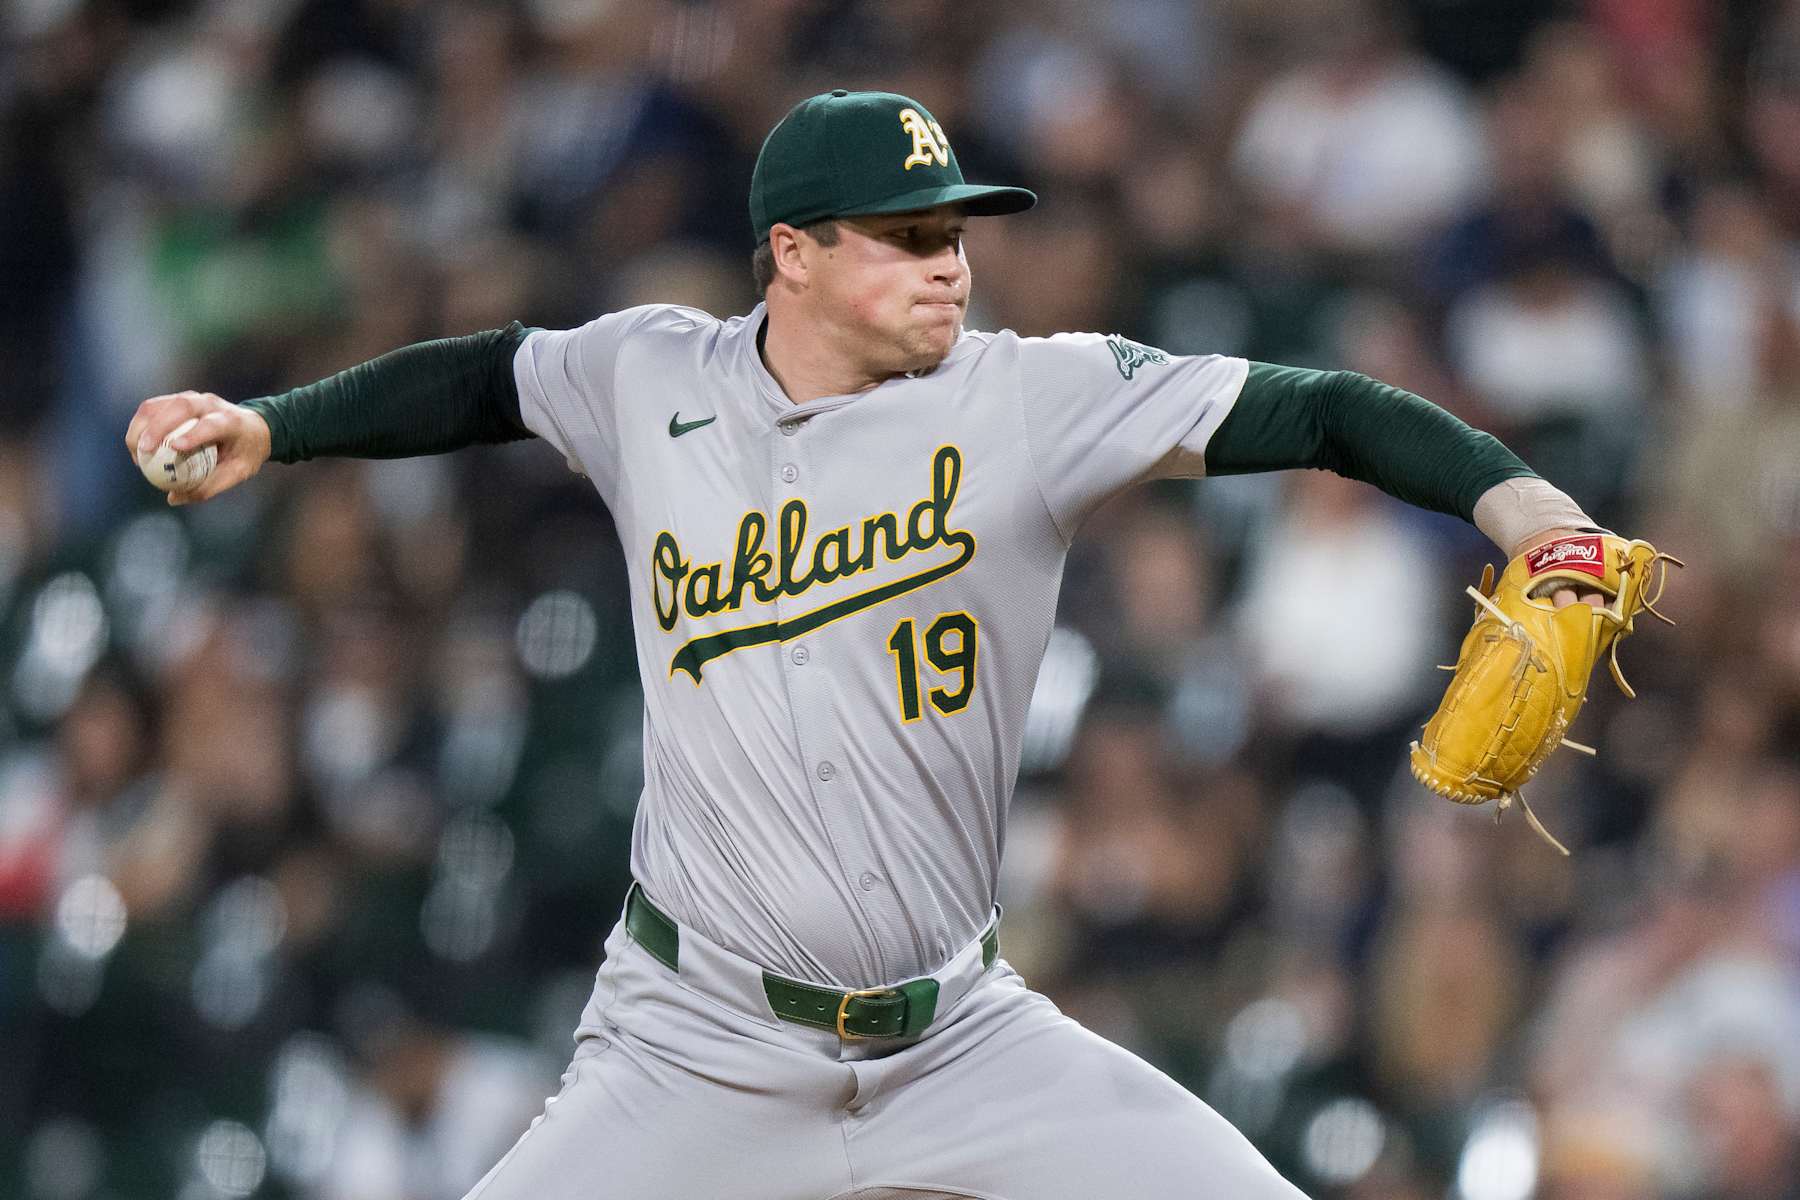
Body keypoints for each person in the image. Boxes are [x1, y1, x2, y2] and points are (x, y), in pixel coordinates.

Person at [127, 90, 1610, 1200]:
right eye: (908, 239)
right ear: (792, 252)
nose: (951, 267)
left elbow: (1327, 407)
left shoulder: (1032, 396)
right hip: (693, 1039)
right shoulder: (650, 375)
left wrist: (1530, 512)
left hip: (959, 1033)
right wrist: (275, 425)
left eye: (954, 233)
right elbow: (482, 380)